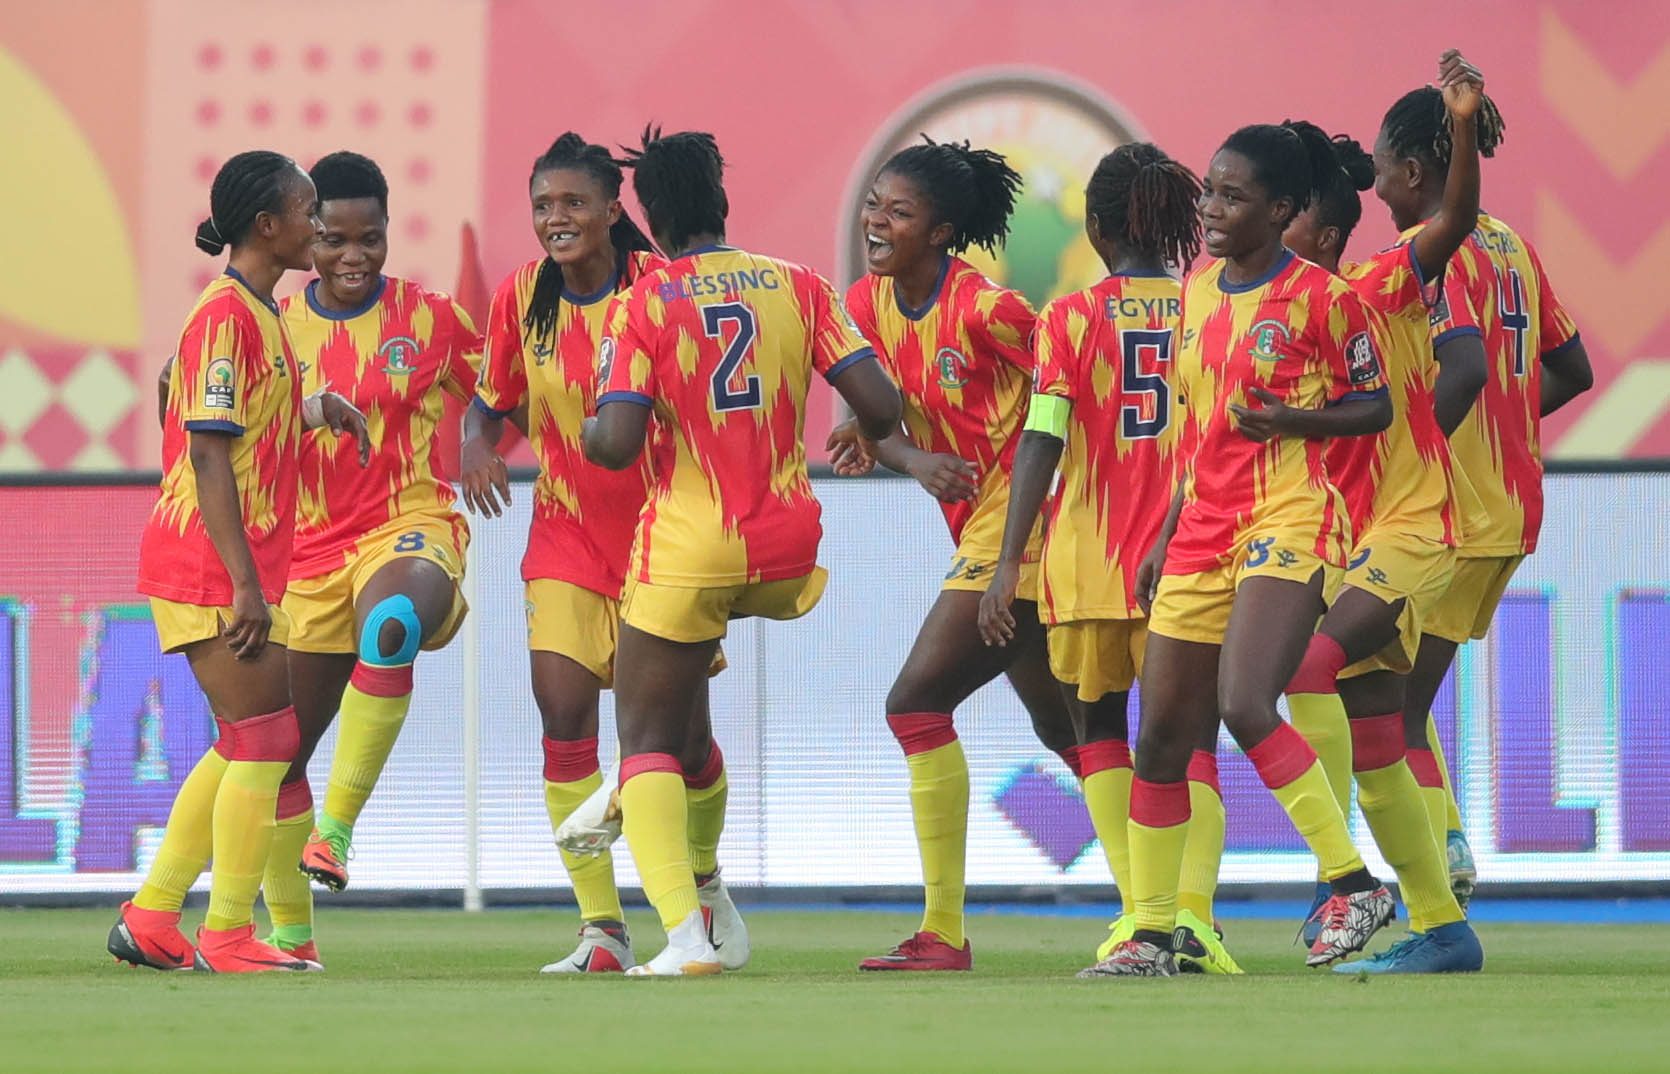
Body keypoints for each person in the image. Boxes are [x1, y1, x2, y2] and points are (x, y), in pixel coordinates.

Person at [583, 127, 902, 976]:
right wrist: (862, 433)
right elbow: (881, 404)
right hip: (787, 546)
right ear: (721, 199)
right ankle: (710, 887)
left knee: (644, 740)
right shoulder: (799, 285)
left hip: (692, 546)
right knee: (689, 736)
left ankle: (685, 938)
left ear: (650, 217)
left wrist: (590, 425)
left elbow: (616, 444)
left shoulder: (643, 303)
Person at [1084, 123, 1397, 978]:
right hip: (1202, 527)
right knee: (1161, 738)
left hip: (1290, 518)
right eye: (1210, 192)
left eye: (1233, 196)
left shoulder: (1324, 299)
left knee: (1246, 702)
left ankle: (1353, 883)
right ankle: (1153, 936)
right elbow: (1196, 432)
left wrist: (1294, 420)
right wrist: (1163, 533)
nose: (1212, 210)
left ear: (1282, 209)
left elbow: (1375, 406)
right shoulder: (1195, 293)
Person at [460, 133, 735, 974]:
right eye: (543, 205)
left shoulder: (659, 288)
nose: (556, 218)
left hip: (664, 541)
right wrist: (475, 443)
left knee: (683, 745)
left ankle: (702, 880)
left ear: (615, 210)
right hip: (566, 536)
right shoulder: (522, 297)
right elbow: (489, 402)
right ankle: (602, 929)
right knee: (563, 715)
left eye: (574, 202)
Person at [974, 143, 1240, 973]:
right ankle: (1195, 922)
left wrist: (1008, 561)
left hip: (1088, 559)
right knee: (1191, 741)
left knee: (1100, 732)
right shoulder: (1205, 308)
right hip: (1192, 554)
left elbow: (1042, 438)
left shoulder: (1072, 318)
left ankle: (1138, 918)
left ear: (1094, 227)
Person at [109, 150, 367, 973]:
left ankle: (154, 917)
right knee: (266, 738)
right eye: (307, 210)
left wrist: (315, 409)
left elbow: (233, 414)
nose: (318, 225)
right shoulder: (226, 315)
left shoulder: (257, 312)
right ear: (266, 224)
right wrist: (245, 586)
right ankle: (225, 933)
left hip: (231, 559)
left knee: (246, 739)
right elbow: (209, 453)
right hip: (212, 561)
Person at [826, 138, 1078, 972]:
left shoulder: (988, 311)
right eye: (874, 204)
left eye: (898, 212)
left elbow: (1072, 390)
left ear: (940, 233)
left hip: (1024, 530)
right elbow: (879, 422)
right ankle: (1170, 909)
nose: (876, 221)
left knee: (916, 704)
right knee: (1067, 727)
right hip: (980, 529)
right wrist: (905, 455)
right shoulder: (866, 304)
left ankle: (943, 931)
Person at [1277, 52, 1494, 974]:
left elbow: (1456, 221)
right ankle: (1443, 927)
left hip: (1416, 528)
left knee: (1304, 669)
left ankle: (1344, 882)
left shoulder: (1380, 284)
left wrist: (1461, 125)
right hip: (1357, 536)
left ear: (1319, 230)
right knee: (1378, 739)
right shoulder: (1279, 318)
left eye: (1278, 212)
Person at [240, 151, 482, 966]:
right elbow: (210, 413)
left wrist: (482, 439)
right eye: (333, 239)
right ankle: (293, 940)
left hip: (409, 525)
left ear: (387, 231)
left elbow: (507, 389)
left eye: (369, 239)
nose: (353, 257)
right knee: (279, 757)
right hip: (307, 556)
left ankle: (337, 831)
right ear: (306, 235)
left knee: (393, 623)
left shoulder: (433, 319)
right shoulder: (271, 325)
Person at [1375, 79, 1592, 903]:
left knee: (1381, 705)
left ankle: (1442, 868)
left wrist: (1407, 459)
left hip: (1451, 511)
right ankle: (1446, 850)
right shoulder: (1511, 247)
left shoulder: (1434, 251)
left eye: (1383, 168)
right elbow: (1573, 369)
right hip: (1510, 507)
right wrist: (1510, 420)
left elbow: (1462, 371)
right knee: (1397, 693)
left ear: (1415, 172)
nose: (1377, 186)